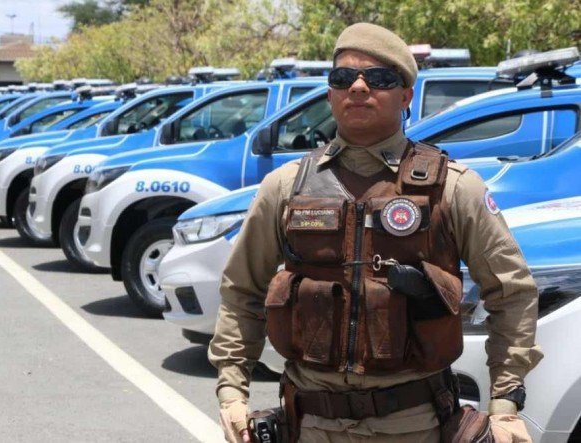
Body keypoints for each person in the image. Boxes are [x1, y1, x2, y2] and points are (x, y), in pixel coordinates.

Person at [210, 23, 542, 443]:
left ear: (405, 96)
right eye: (343, 78)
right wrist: (231, 391)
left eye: (380, 79)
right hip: (309, 423)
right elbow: (242, 290)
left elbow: (512, 292)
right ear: (330, 93)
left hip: (414, 424)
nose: (360, 88)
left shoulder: (454, 188)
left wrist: (506, 402)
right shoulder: (284, 187)